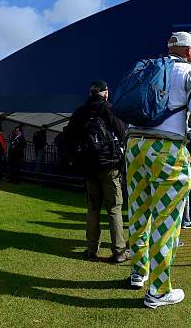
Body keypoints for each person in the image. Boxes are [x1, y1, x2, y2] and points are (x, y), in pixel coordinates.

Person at [125, 31, 191, 308]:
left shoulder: (149, 68)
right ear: (189, 51)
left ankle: (139, 272)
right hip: (167, 150)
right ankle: (159, 291)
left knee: (138, 211)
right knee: (166, 220)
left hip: (134, 146)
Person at [64, 80, 128, 264]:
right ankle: (119, 251)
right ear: (105, 93)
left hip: (89, 167)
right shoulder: (109, 110)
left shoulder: (81, 112)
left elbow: (68, 137)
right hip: (109, 166)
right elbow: (123, 132)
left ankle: (91, 249)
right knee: (114, 209)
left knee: (92, 208)